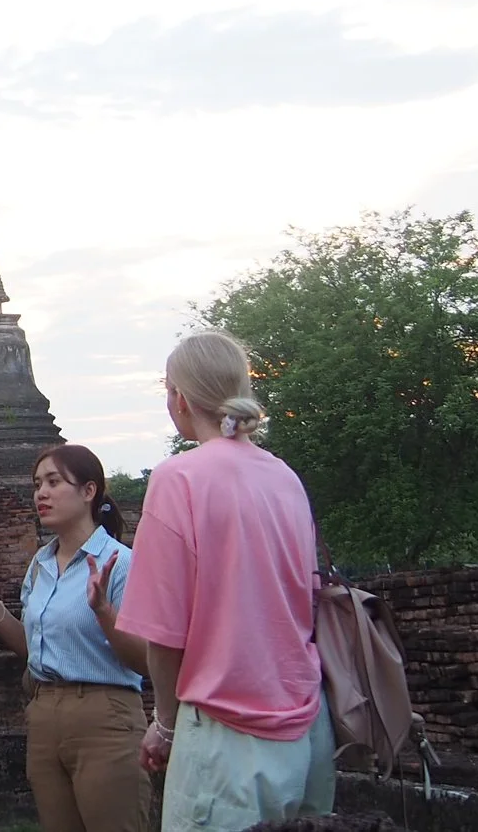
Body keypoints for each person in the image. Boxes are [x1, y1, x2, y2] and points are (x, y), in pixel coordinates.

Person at [116, 332, 334, 829]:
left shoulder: (179, 478)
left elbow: (166, 633)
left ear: (180, 399)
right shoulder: (285, 477)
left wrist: (166, 727)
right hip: (305, 725)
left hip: (224, 733)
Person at [0, 444, 151, 832]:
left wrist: (104, 611)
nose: (41, 494)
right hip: (45, 710)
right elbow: (34, 651)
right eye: (37, 484)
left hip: (105, 713)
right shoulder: (41, 564)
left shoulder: (120, 563)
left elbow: (145, 662)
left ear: (88, 491)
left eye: (54, 482)